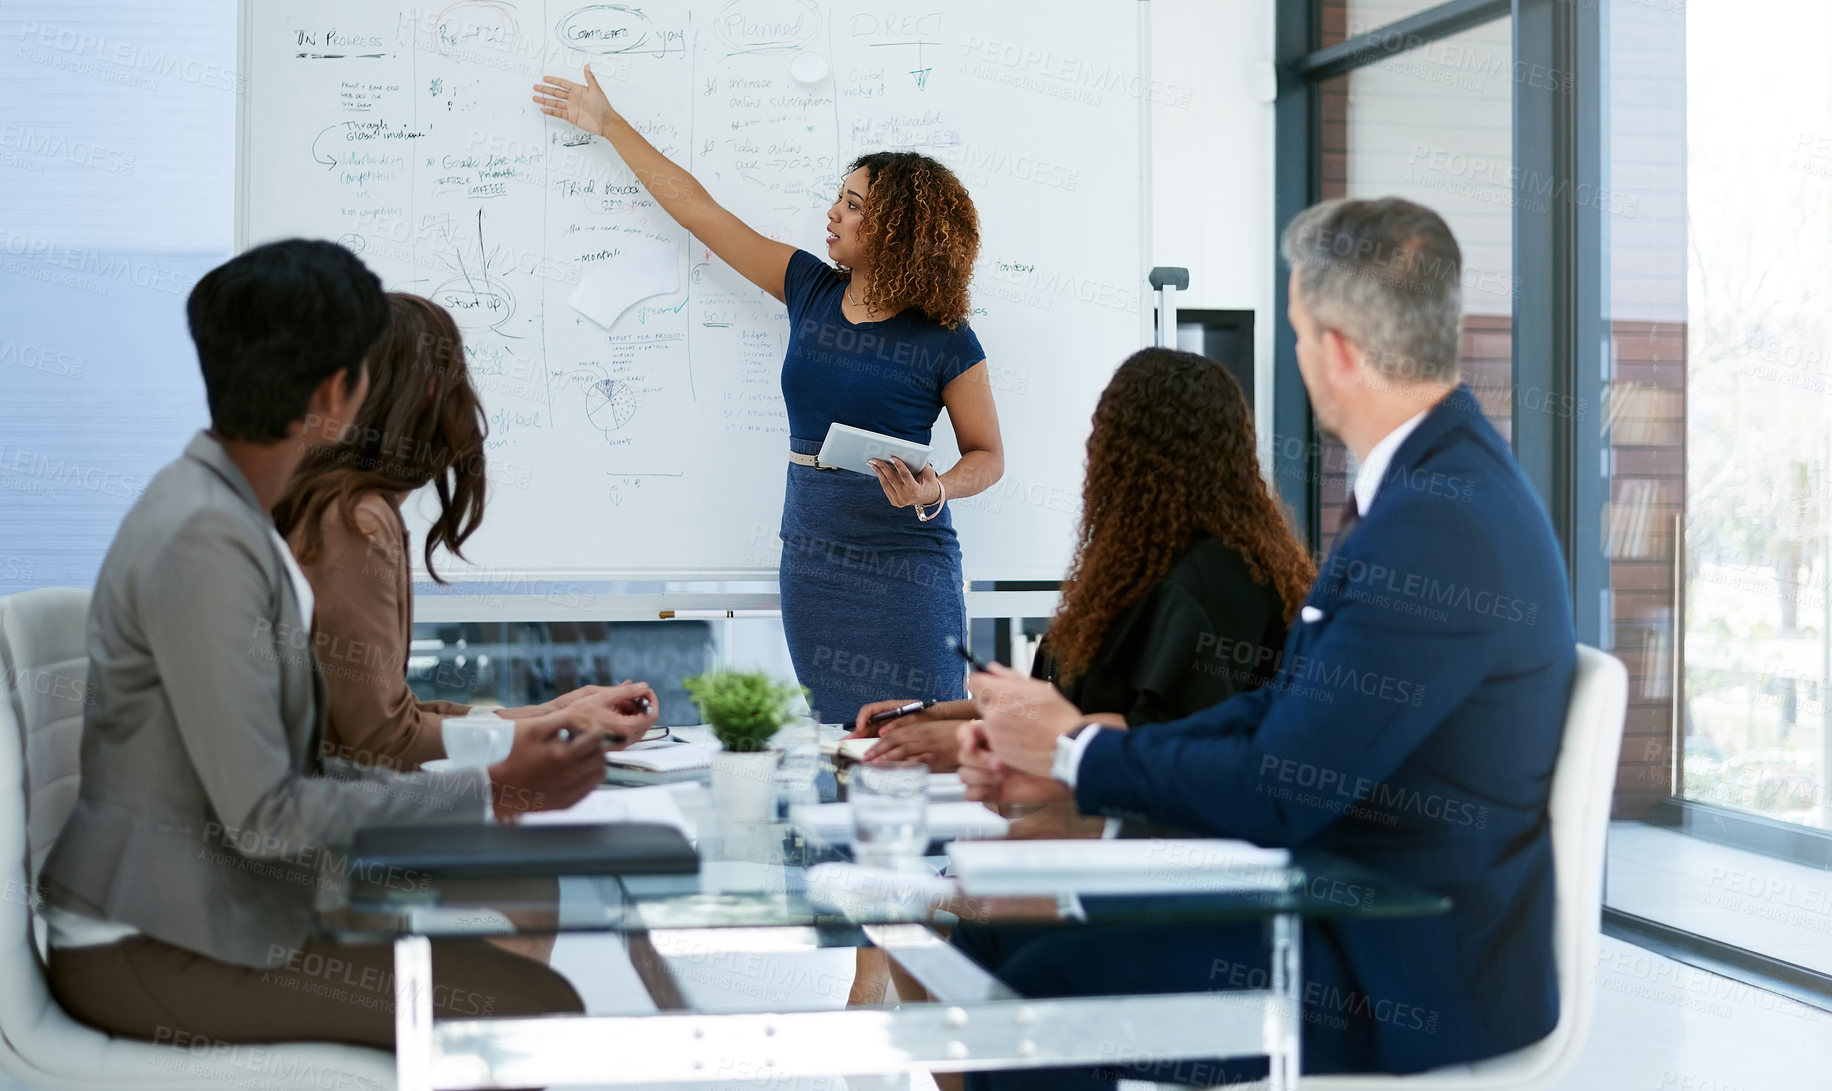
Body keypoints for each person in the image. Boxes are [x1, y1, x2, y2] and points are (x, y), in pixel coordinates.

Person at [955, 197, 1579, 1088]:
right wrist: (1082, 753)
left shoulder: (1438, 525)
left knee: (1043, 990)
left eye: (1294, 332)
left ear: (1338, 349)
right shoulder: (1430, 486)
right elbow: (1284, 713)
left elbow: (1281, 786)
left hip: (1402, 966)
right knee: (988, 929)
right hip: (1343, 905)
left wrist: (1078, 753)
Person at [36, 240, 627, 1048]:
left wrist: (493, 775)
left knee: (523, 982)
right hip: (155, 944)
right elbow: (268, 815)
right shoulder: (207, 539)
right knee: (533, 1008)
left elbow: (304, 768)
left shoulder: (224, 511)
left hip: (204, 906)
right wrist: (487, 783)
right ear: (338, 390)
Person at [531, 67, 1005, 721]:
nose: (833, 213)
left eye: (854, 203)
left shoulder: (947, 336)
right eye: (839, 198)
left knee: (922, 741)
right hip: (813, 558)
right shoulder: (809, 288)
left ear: (897, 227)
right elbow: (699, 211)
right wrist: (610, 125)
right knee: (839, 741)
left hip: (907, 569)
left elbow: (987, 456)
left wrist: (937, 487)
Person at [847, 347, 1313, 772]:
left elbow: (1160, 742)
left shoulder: (1206, 582)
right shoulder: (1142, 563)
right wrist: (933, 714)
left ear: (1123, 453)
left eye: (1100, 434)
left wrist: (977, 739)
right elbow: (1060, 705)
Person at [273, 291, 660, 773]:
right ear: (431, 392)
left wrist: (554, 713)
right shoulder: (356, 520)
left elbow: (398, 717)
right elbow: (383, 739)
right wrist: (558, 728)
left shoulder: (341, 505)